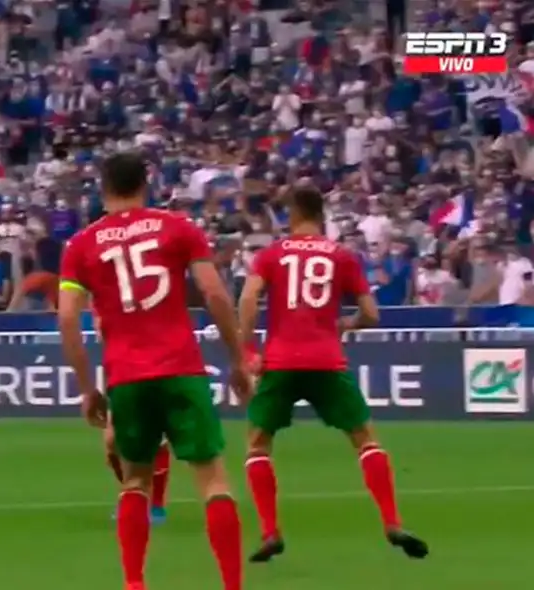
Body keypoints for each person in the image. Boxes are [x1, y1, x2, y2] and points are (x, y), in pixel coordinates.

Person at [57, 151, 251, 590]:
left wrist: (88, 389)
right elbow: (214, 292)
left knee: (135, 481)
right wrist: (238, 358)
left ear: (102, 188)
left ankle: (134, 583)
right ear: (146, 184)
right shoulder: (178, 228)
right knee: (213, 479)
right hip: (182, 367)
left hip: (127, 376)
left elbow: (68, 318)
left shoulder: (82, 246)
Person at [237, 184, 429, 563]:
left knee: (258, 444)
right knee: (364, 439)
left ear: (293, 214)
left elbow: (246, 297)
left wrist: (247, 351)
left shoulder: (273, 254)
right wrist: (347, 325)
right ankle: (391, 522)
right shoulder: (341, 256)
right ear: (320, 214)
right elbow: (372, 314)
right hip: (326, 359)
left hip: (281, 361)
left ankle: (270, 532)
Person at [93, 306, 171, 524]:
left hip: (152, 369)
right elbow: (102, 329)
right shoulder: (106, 294)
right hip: (120, 370)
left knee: (157, 441)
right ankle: (133, 493)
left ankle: (156, 505)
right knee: (111, 442)